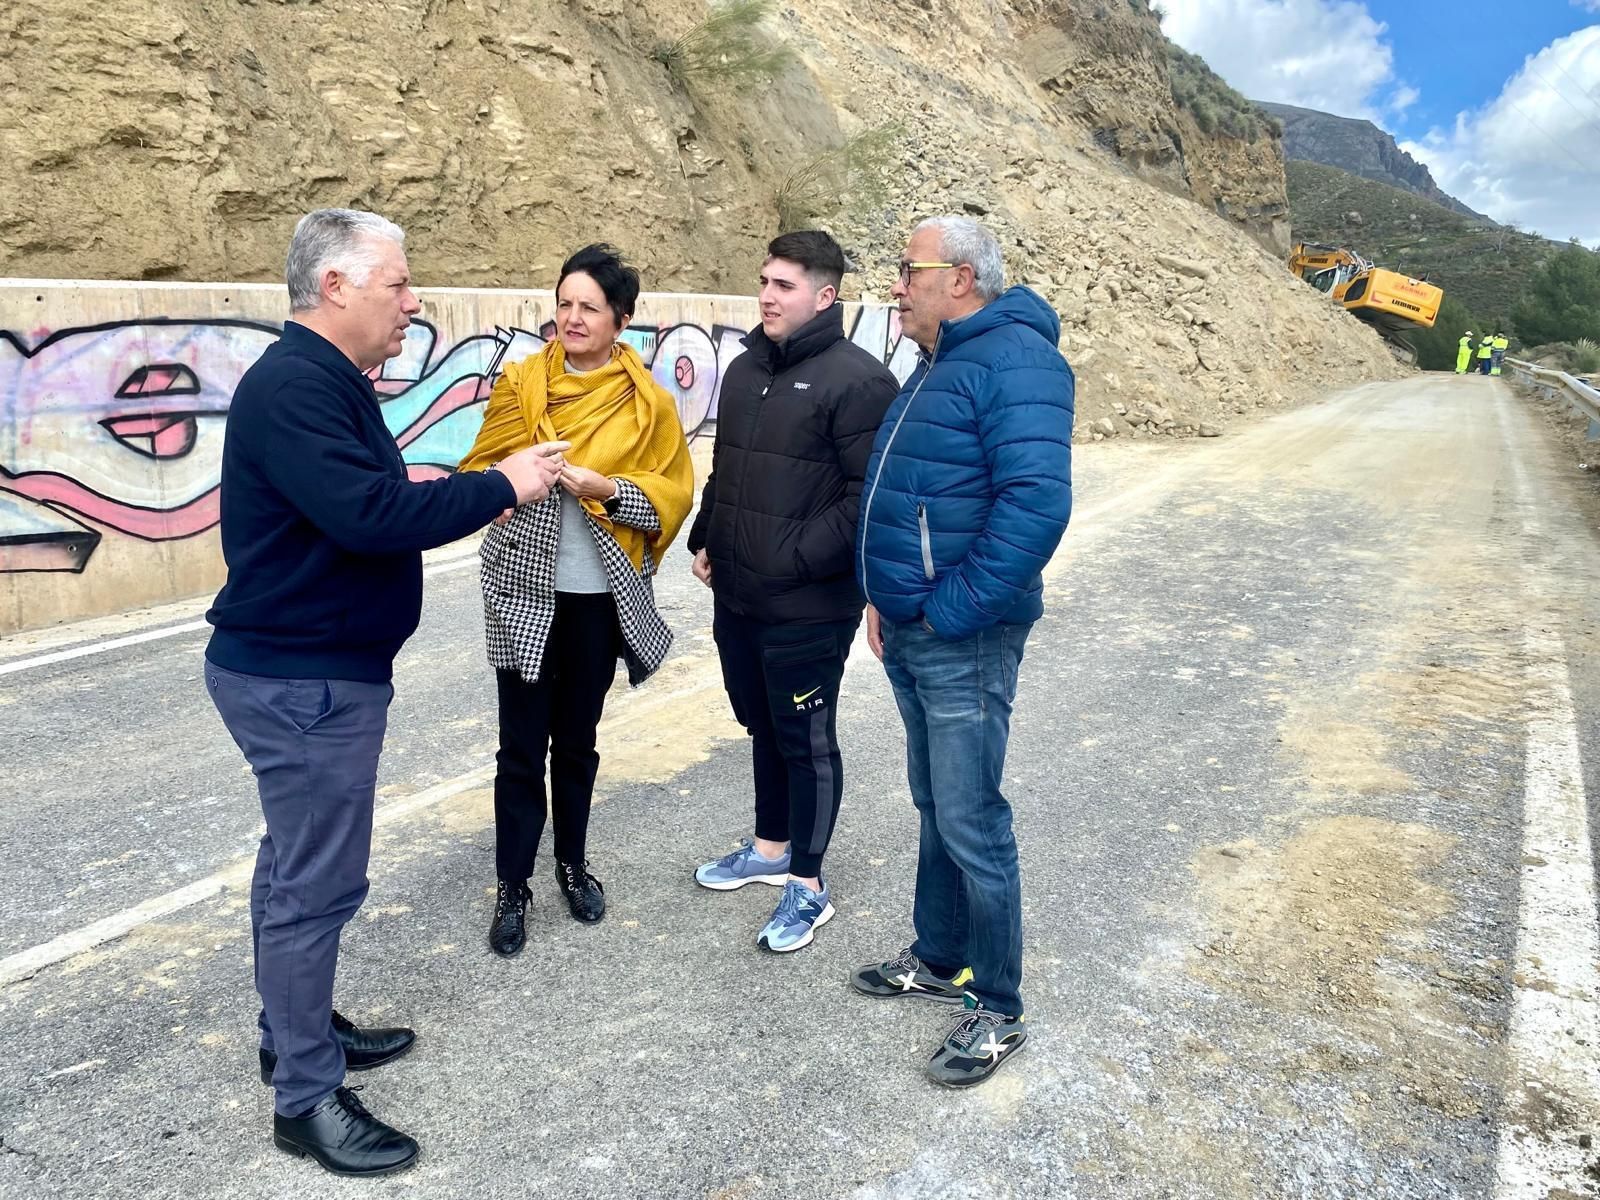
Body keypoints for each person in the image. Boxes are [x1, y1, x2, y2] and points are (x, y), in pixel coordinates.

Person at [204, 209, 567, 1175]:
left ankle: (294, 1031)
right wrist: (503, 485)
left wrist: (457, 484)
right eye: (398, 284)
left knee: (293, 864)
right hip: (302, 679)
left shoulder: (321, 379)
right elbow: (371, 515)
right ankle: (305, 1097)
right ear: (335, 287)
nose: (413, 302)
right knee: (316, 885)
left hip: (310, 670)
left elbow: (361, 501)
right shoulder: (298, 386)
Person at [849, 215, 1073, 1089]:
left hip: (964, 636)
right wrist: (887, 597)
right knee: (936, 801)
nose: (897, 285)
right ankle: (941, 958)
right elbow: (918, 493)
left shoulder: (1016, 361)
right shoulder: (942, 358)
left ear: (962, 279)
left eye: (909, 269)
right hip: (915, 627)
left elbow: (1036, 505)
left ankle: (999, 1005)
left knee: (972, 814)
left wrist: (950, 611)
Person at [459, 244, 694, 954]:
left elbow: (673, 493)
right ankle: (512, 885)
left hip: (598, 596)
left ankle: (571, 863)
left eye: (590, 307)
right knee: (518, 748)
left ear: (620, 319)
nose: (573, 318)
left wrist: (607, 488)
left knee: (577, 742)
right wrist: (500, 491)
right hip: (521, 588)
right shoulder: (522, 383)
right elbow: (480, 468)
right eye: (564, 304)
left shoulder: (648, 403)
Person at [686, 230, 897, 952]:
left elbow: (867, 497)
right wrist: (709, 536)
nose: (767, 296)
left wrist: (792, 556)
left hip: (809, 604)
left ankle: (808, 885)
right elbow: (729, 467)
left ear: (824, 295)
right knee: (764, 727)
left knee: (806, 739)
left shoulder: (859, 381)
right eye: (764, 281)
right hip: (740, 594)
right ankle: (770, 850)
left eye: (784, 285)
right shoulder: (746, 368)